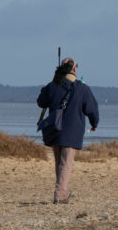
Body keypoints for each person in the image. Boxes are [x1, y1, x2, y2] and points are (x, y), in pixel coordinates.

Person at [36, 57, 100, 204]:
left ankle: (61, 192)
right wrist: (94, 123)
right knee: (65, 165)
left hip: (54, 130)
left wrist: (54, 81)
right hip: (72, 132)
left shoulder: (52, 86)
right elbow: (91, 108)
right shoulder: (82, 88)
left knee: (59, 164)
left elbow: (41, 101)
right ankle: (60, 196)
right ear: (75, 69)